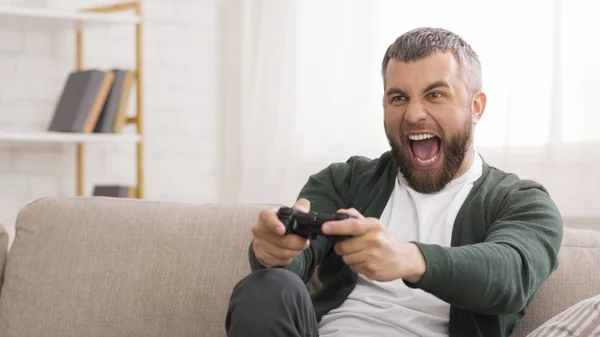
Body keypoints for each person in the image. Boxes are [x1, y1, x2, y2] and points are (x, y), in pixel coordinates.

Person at [225, 27, 563, 337]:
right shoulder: (347, 180)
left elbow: (511, 276)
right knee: (267, 286)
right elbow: (294, 263)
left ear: (475, 107)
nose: (413, 113)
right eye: (398, 98)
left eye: (435, 95)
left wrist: (409, 259)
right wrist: (276, 253)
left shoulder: (522, 202)